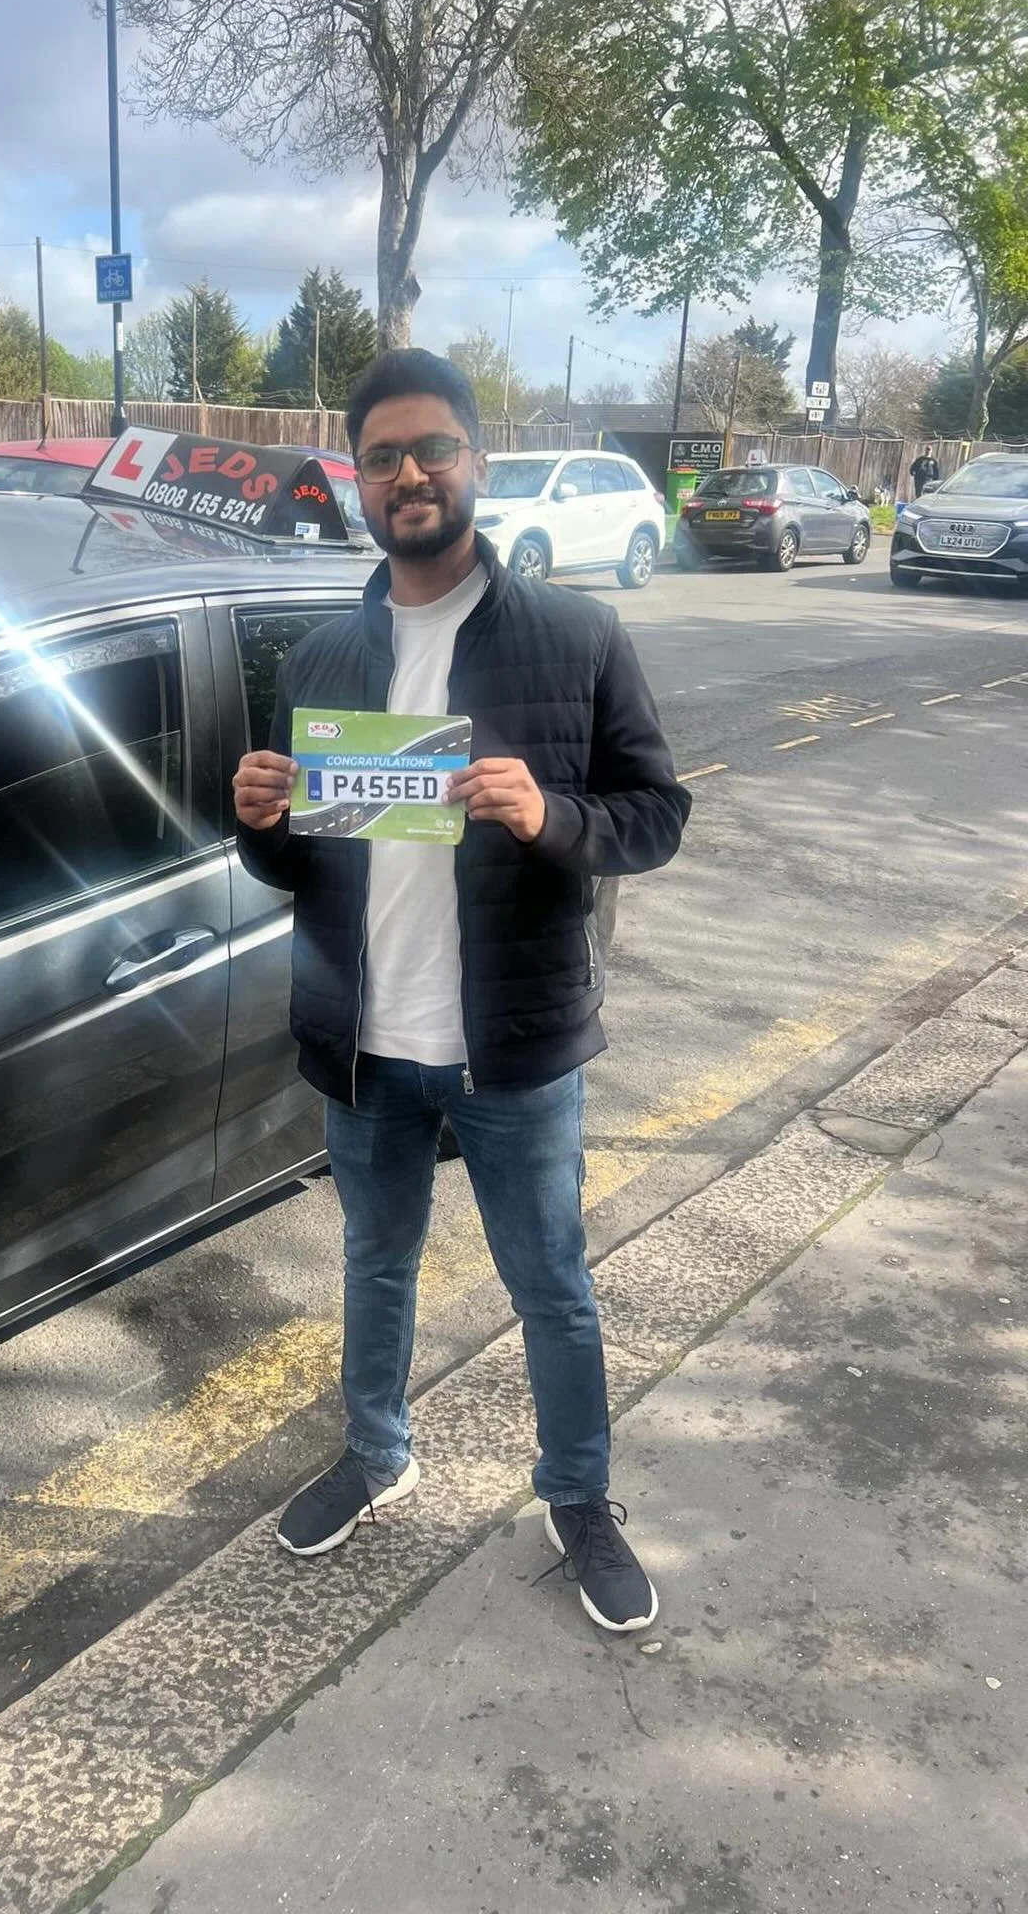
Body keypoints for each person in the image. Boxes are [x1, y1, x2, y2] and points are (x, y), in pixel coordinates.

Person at [233, 349, 691, 1632]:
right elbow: (296, 864)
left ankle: (579, 1497)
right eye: (383, 456)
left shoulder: (578, 635)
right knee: (376, 1266)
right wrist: (260, 822)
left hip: (519, 1051)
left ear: (477, 463)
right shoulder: (321, 657)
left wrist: (550, 815)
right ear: (359, 482)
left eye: (433, 449)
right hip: (366, 1044)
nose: (410, 474)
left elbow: (656, 817)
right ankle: (378, 1455)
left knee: (551, 1284)